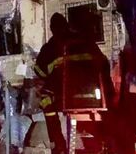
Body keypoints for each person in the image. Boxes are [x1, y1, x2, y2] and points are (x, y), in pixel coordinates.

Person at [35, 12, 117, 153]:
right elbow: (104, 64)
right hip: (95, 98)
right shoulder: (87, 41)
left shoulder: (50, 47)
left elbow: (40, 72)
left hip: (66, 99)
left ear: (52, 29)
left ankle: (58, 145)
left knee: (45, 100)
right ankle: (106, 141)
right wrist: (108, 93)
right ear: (66, 25)